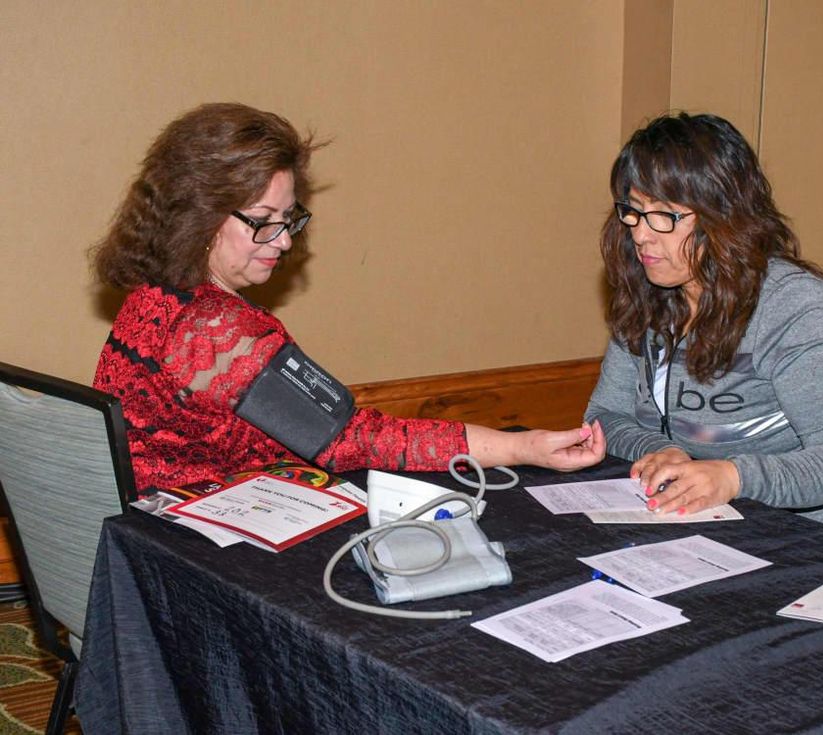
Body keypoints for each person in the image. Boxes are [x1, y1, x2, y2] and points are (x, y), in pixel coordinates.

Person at [92, 102, 605, 496]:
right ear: (198, 215)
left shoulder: (152, 298)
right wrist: (520, 446)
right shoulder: (218, 332)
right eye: (262, 221)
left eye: (288, 218)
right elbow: (350, 439)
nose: (286, 240)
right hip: (197, 549)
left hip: (149, 535)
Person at [584, 112, 823, 539]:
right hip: (701, 531)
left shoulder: (792, 305)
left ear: (723, 218)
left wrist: (734, 477)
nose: (640, 235)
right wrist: (661, 451)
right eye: (633, 211)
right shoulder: (647, 292)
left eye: (664, 216)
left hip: (811, 541)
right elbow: (604, 416)